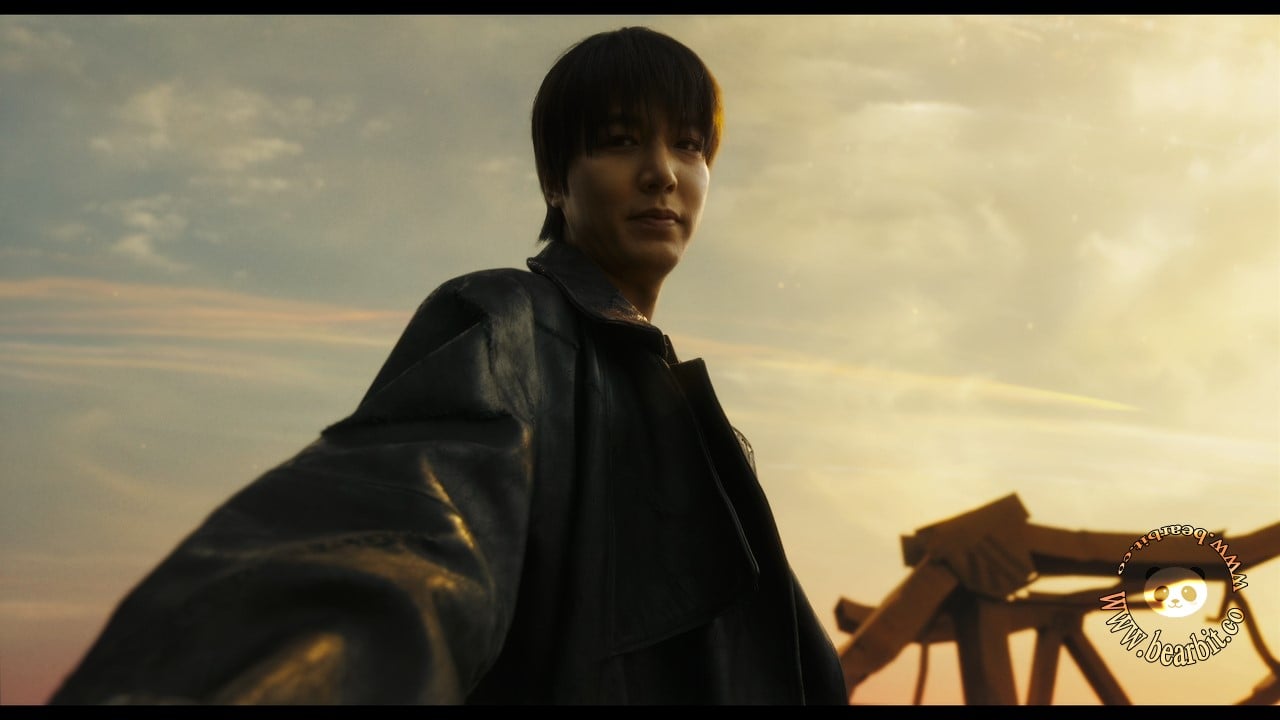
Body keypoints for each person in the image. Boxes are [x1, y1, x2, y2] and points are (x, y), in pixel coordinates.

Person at [49, 26, 848, 705]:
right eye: (619, 140)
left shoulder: (698, 425)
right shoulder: (515, 328)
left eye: (689, 144)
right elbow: (398, 535)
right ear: (555, 181)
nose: (662, 171)